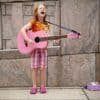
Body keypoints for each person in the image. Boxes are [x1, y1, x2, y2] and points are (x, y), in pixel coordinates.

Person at [20, 3, 49, 94]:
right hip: (34, 49)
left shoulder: (46, 24)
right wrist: (28, 39)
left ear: (45, 12)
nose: (42, 9)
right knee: (34, 68)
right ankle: (34, 87)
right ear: (36, 12)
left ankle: (42, 86)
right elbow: (22, 30)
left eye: (44, 8)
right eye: (40, 8)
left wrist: (53, 41)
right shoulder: (33, 22)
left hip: (43, 49)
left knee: (43, 68)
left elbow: (46, 37)